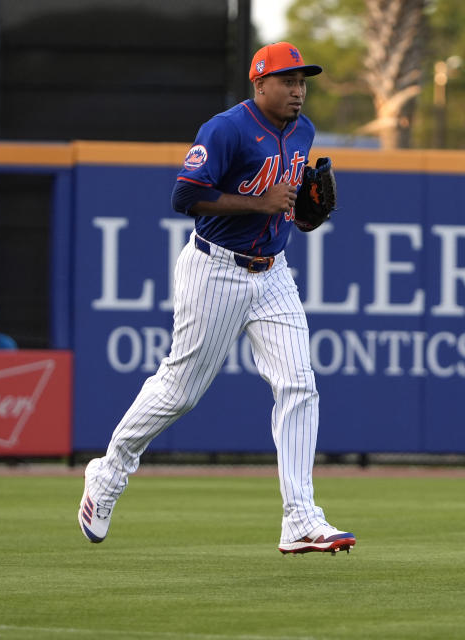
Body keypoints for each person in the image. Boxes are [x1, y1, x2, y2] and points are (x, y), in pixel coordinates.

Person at [78, 42, 355, 555]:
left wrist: (306, 214)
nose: (298, 90)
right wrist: (258, 202)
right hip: (216, 269)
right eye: (288, 81)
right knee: (179, 391)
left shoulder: (304, 131)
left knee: (299, 385)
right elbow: (184, 196)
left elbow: (291, 210)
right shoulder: (226, 129)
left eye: (303, 81)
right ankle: (109, 470)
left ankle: (300, 518)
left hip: (273, 273)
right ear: (260, 84)